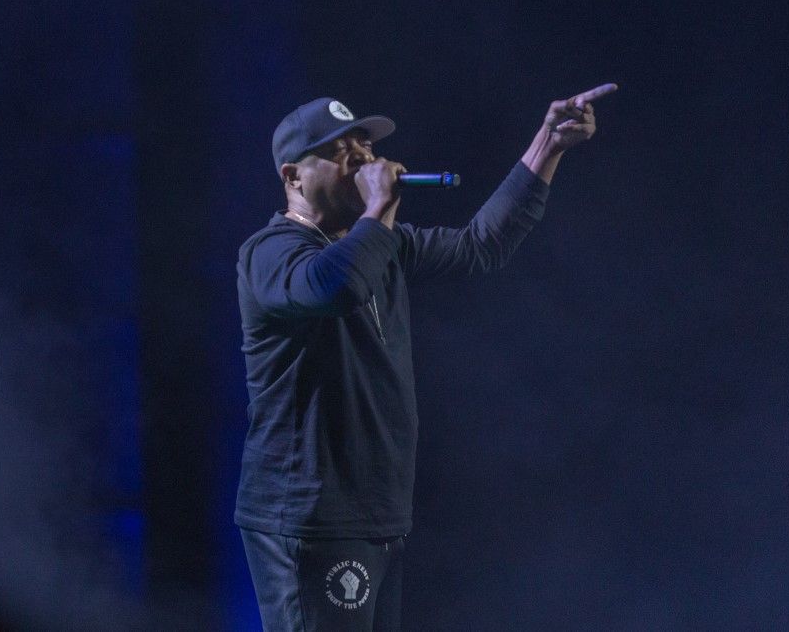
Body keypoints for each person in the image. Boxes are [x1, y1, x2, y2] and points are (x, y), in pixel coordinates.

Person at [236, 86, 617, 631]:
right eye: (342, 151)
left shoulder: (380, 241)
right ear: (294, 177)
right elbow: (334, 287)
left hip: (378, 511)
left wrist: (547, 146)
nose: (364, 160)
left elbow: (481, 244)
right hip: (310, 519)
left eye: (365, 147)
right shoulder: (269, 253)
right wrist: (378, 208)